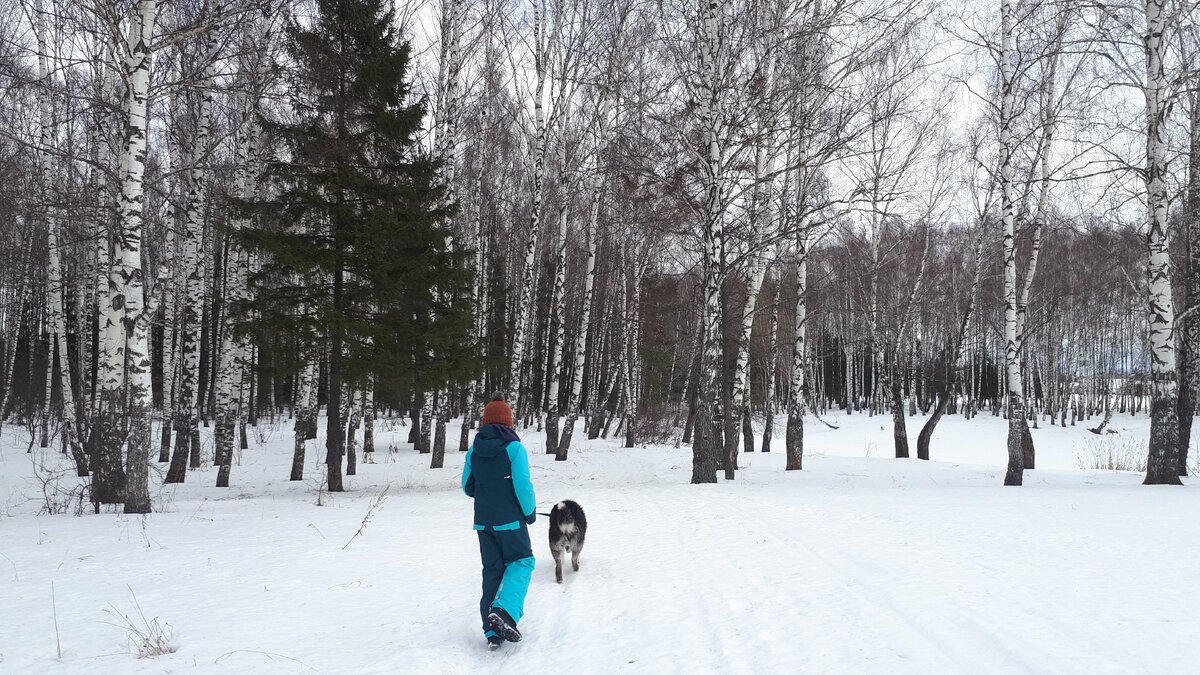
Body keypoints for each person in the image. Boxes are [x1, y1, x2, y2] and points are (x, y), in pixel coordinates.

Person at [461, 392, 536, 649]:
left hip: (483, 522)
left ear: (485, 422)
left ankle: (492, 631)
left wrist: (487, 491)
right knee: (522, 562)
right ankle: (503, 613)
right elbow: (523, 486)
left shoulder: (474, 451)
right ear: (508, 422)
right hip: (511, 522)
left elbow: (467, 487)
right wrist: (529, 512)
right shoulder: (514, 448)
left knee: (492, 571)